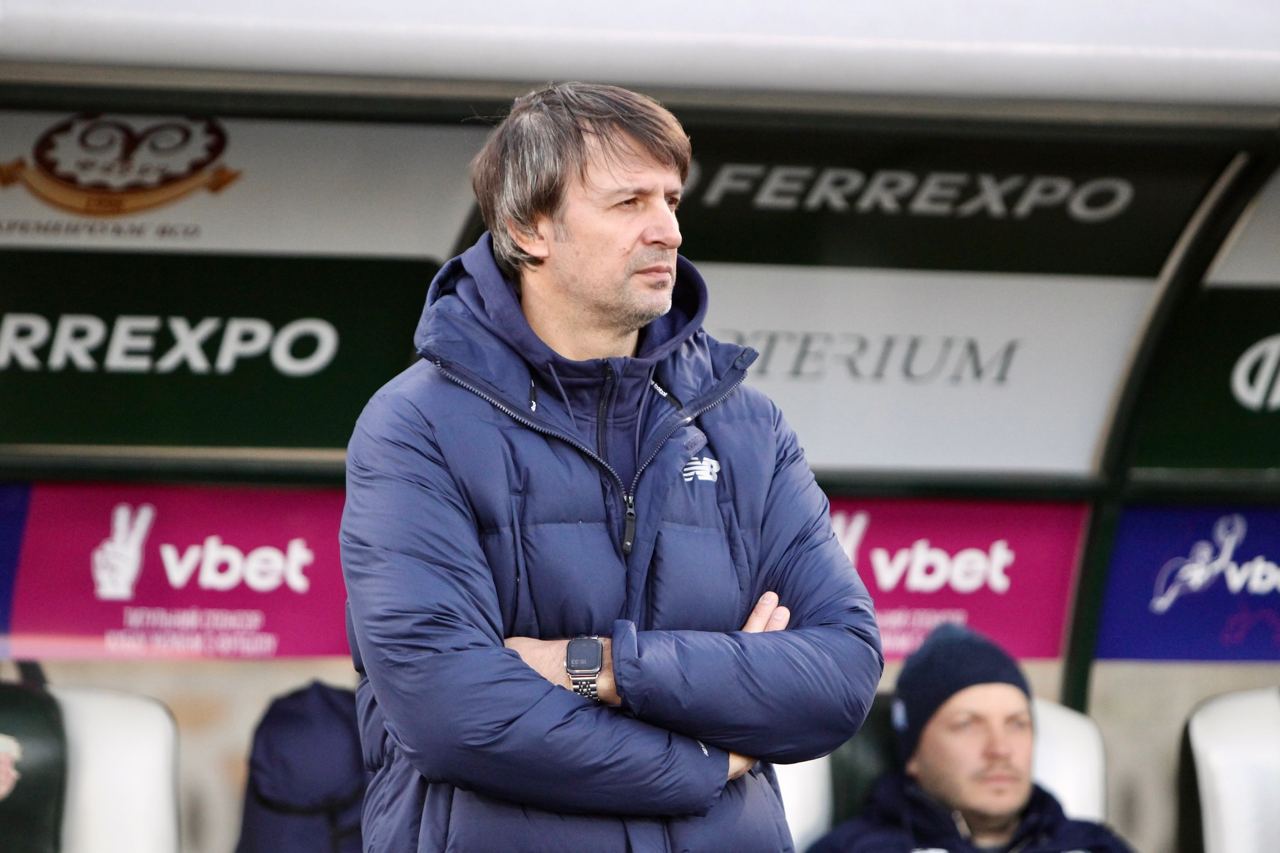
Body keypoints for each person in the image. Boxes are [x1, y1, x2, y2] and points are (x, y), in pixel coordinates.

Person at [339, 82, 883, 852]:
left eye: (671, 199)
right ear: (528, 228)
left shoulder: (746, 426)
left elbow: (840, 674)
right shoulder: (417, 424)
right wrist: (709, 756)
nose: (667, 230)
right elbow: (454, 711)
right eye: (629, 202)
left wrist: (601, 666)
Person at [808, 625, 1133, 853]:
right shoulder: (855, 849)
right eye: (967, 725)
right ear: (914, 755)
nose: (1000, 749)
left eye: (1017, 724)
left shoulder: (1093, 844)